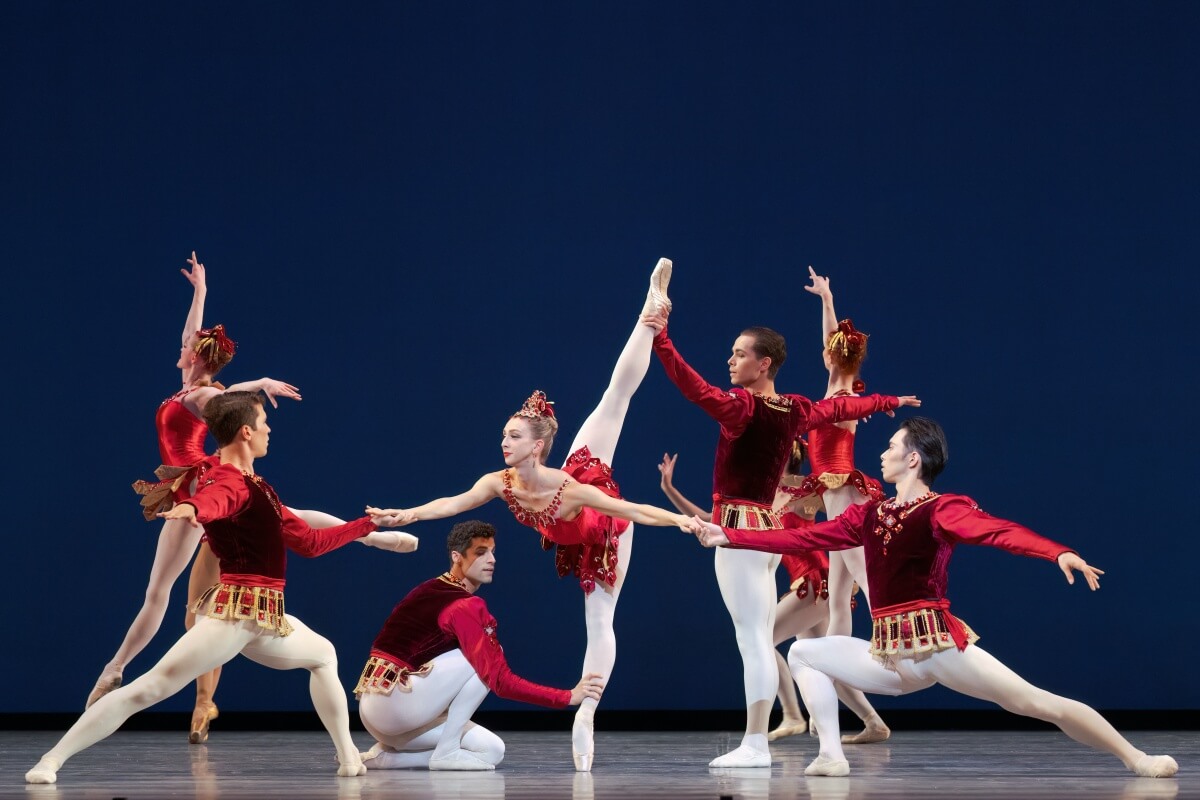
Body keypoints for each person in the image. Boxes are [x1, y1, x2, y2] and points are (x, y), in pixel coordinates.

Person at [686, 417, 1178, 779]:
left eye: (892, 447)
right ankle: (831, 755)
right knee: (804, 653)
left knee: (1034, 702)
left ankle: (1136, 758)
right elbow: (802, 538)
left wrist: (1057, 552)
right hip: (888, 658)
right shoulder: (869, 515)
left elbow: (997, 531)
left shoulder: (941, 510)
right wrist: (731, 536)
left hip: (937, 648)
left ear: (913, 459)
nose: (883, 454)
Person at [368, 258, 692, 772]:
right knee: (612, 401)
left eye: (514, 436)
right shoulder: (501, 483)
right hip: (572, 520)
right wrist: (406, 514)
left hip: (607, 529)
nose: (504, 442)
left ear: (537, 445)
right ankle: (649, 316)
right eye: (504, 434)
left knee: (615, 402)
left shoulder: (571, 488)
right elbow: (451, 503)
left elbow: (630, 509)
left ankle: (586, 712)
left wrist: (683, 521)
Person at [89, 253, 401, 745]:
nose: (181, 346)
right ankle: (368, 535)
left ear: (196, 357)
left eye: (187, 347)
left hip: (199, 484)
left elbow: (228, 404)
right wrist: (200, 291)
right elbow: (199, 345)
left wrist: (255, 388)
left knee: (165, 588)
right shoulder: (189, 387)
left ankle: (115, 668)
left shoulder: (201, 397)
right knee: (280, 518)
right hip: (187, 483)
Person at [26, 391, 411, 785]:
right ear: (246, 432)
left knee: (323, 655)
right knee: (149, 689)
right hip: (233, 618)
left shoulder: (257, 486)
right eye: (264, 423)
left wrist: (369, 526)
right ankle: (50, 760)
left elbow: (310, 543)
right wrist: (192, 508)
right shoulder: (230, 481)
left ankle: (348, 757)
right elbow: (216, 499)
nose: (269, 430)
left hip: (265, 619)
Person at [642, 294, 919, 767]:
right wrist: (889, 401)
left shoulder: (743, 408)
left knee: (754, 640)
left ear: (763, 363)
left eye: (739, 354)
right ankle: (781, 726)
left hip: (742, 536)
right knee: (764, 635)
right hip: (767, 537)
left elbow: (694, 387)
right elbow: (838, 408)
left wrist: (661, 339)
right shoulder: (793, 409)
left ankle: (755, 744)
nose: (730, 360)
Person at [657, 447, 888, 746]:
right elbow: (708, 518)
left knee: (762, 641)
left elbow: (839, 504)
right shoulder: (763, 498)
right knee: (822, 660)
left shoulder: (802, 488)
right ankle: (873, 721)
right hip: (806, 586)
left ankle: (792, 714)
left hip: (815, 582)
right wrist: (669, 489)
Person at [354, 520, 605, 771]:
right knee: (487, 661)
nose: (492, 560)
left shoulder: (429, 588)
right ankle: (447, 751)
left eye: (493, 552)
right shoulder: (465, 606)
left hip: (374, 713)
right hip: (397, 706)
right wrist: (567, 697)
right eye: (481, 552)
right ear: (457, 557)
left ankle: (387, 758)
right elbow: (500, 680)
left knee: (492, 750)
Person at [798, 266, 888, 644]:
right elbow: (831, 338)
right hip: (838, 496)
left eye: (827, 350)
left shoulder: (847, 400)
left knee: (865, 578)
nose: (823, 351)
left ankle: (895, 639)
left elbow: (832, 346)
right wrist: (827, 299)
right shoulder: (836, 390)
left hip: (842, 495)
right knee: (837, 598)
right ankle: (836, 668)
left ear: (832, 359)